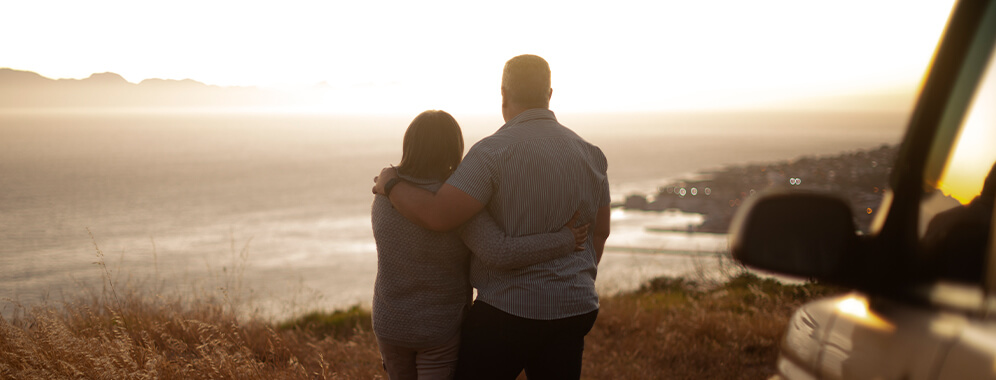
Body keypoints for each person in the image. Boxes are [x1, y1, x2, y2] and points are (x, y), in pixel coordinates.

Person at [373, 55, 611, 379]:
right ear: (550, 94)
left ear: (503, 94)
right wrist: (575, 280)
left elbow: (440, 215)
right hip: (576, 306)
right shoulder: (591, 154)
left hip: (507, 313)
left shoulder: (490, 153)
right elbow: (600, 233)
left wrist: (392, 183)